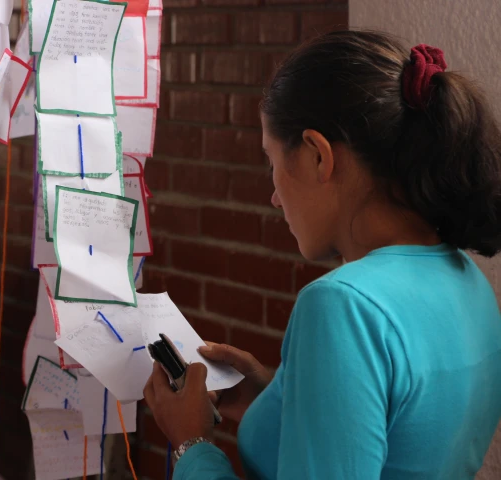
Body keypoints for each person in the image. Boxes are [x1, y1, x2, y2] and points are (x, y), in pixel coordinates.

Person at [144, 30, 501, 479]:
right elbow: (400, 438)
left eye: (272, 162)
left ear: (317, 155)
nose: (274, 196)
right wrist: (277, 395)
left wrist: (191, 443)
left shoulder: (342, 305)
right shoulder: (468, 279)